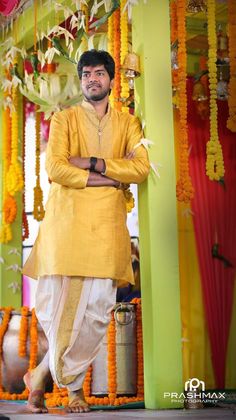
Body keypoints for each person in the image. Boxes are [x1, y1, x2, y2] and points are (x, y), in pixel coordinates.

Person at [23, 49, 150, 413]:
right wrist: (108, 178)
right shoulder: (63, 120)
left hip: (106, 228)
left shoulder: (128, 124)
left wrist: (92, 163)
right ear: (81, 81)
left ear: (111, 79)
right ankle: (74, 390)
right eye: (86, 74)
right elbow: (56, 169)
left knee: (95, 312)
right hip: (67, 227)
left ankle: (41, 376)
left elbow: (140, 169)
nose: (92, 79)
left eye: (98, 73)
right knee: (58, 309)